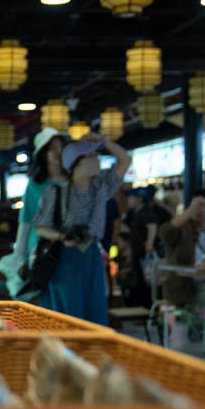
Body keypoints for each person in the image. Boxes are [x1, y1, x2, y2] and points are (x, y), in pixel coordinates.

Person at [33, 134, 131, 325]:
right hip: (66, 257)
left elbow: (125, 160)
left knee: (96, 314)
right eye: (91, 156)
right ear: (75, 163)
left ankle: (91, 354)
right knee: (70, 316)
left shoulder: (101, 186)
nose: (97, 160)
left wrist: (103, 140)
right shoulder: (56, 192)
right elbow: (41, 228)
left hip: (92, 254)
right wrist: (63, 236)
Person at [0, 127, 68, 300]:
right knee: (45, 293)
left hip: (67, 245)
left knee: (66, 294)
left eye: (61, 147)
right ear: (43, 154)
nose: (58, 152)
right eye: (52, 148)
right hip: (40, 249)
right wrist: (19, 255)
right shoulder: (35, 185)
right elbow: (26, 221)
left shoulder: (73, 181)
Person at [158, 189, 205, 308]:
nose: (199, 209)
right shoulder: (182, 228)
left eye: (204, 205)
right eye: (196, 205)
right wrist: (188, 212)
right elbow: (164, 233)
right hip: (184, 289)